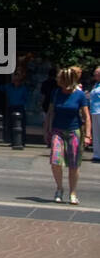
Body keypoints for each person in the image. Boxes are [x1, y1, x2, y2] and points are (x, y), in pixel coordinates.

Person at [46, 65, 91, 204]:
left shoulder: (80, 95)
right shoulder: (57, 93)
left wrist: (88, 135)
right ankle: (59, 188)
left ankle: (73, 192)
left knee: (73, 164)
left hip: (74, 131)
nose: (60, 82)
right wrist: (47, 129)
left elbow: (86, 116)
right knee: (55, 161)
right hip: (58, 130)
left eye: (62, 80)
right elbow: (51, 112)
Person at [89, 66, 100, 163]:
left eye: (96, 73)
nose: (95, 75)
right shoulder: (96, 85)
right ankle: (97, 155)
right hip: (95, 111)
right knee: (96, 134)